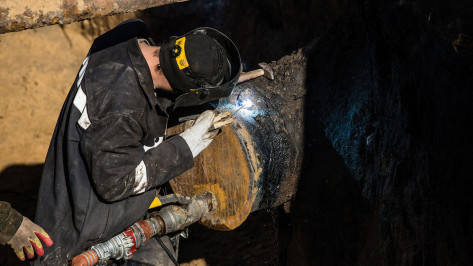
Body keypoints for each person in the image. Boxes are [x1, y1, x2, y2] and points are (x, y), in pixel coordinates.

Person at [33, 19, 240, 265]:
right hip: (81, 233)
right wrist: (185, 146)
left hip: (82, 175)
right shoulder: (123, 111)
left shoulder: (128, 35)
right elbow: (114, 184)